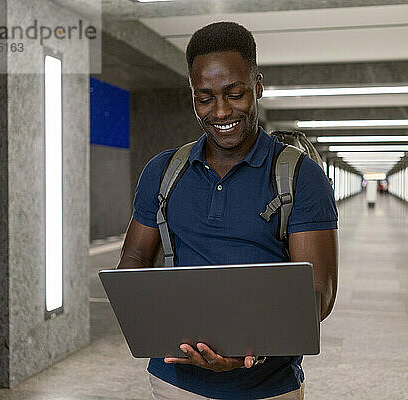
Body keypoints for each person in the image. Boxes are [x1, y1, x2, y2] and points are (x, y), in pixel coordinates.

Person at [117, 21, 338, 400]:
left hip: (267, 388)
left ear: (258, 86)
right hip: (174, 383)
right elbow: (134, 257)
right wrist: (146, 316)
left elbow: (318, 292)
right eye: (204, 98)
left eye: (235, 94)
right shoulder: (163, 171)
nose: (221, 111)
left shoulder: (300, 176)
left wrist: (253, 344)